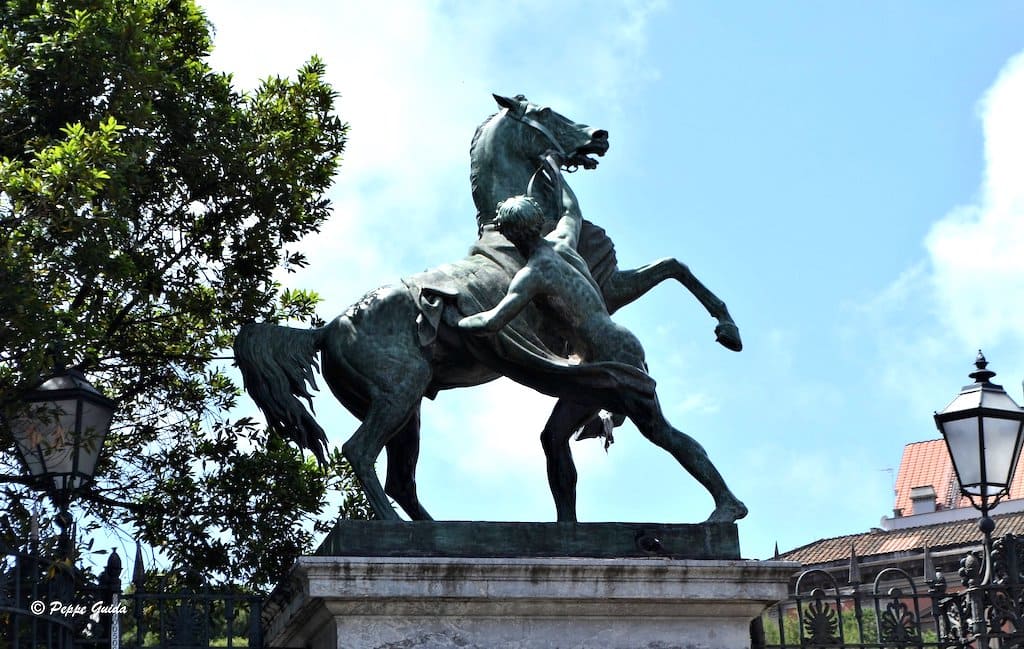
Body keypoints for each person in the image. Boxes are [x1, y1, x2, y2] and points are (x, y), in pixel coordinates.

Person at [458, 195, 747, 523]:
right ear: (538, 222)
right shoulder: (563, 241)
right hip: (600, 358)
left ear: (509, 236)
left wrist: (456, 317)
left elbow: (493, 322)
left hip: (612, 355)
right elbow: (571, 210)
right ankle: (567, 526)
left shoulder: (533, 275)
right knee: (553, 437)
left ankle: (727, 500)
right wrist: (555, 171)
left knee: (660, 431)